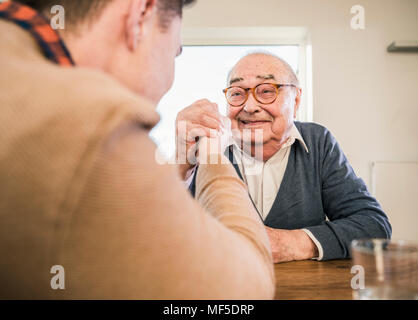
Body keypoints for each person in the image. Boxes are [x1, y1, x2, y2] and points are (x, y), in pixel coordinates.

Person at [0, 1, 275, 299]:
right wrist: (212, 153)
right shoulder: (93, 128)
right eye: (174, 53)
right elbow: (241, 291)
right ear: (140, 14)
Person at [178, 52, 392, 263]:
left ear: (296, 100)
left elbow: (374, 226)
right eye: (237, 93)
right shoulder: (207, 145)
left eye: (266, 91)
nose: (250, 107)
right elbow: (164, 231)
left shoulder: (318, 141)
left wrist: (291, 244)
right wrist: (182, 164)